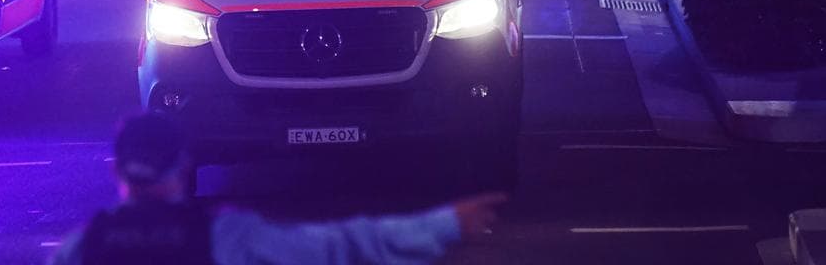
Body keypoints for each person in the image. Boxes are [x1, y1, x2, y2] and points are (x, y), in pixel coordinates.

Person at [51, 112, 506, 265]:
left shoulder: (80, 249)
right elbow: (340, 247)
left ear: (119, 173)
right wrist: (445, 224)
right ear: (182, 164)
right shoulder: (225, 237)